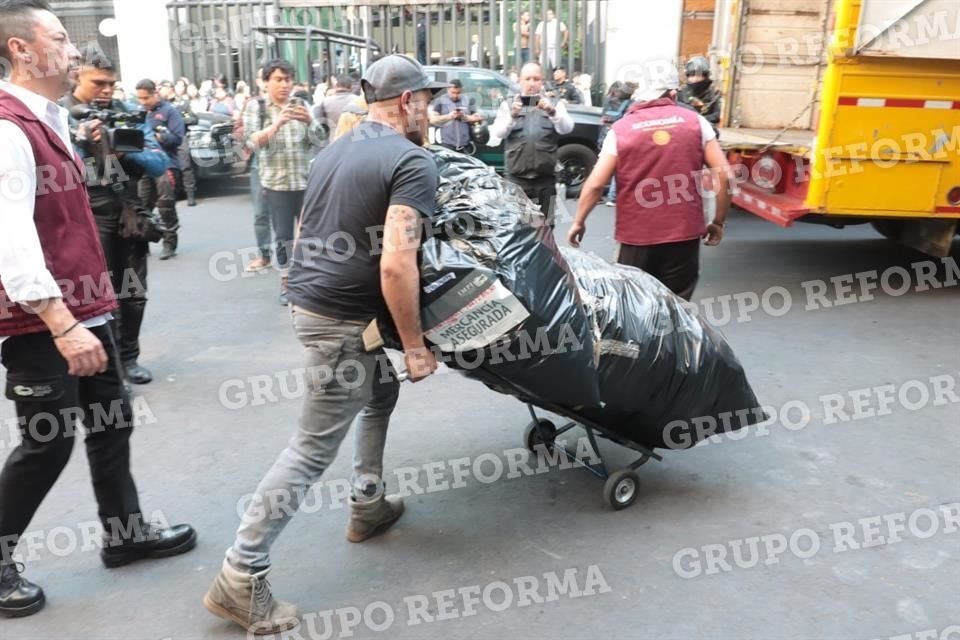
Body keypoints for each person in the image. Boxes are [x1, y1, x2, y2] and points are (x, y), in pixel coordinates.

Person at [202, 53, 444, 635]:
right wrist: (413, 345)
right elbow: (396, 263)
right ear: (408, 103)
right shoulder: (411, 161)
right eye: (428, 102)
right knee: (311, 448)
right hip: (338, 322)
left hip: (316, 305)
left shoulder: (337, 147)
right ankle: (241, 574)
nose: (432, 113)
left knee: (378, 392)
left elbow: (312, 223)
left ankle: (367, 501)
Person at [0, 0, 196, 618]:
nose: (74, 49)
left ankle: (125, 533)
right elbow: (11, 238)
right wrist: (60, 325)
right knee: (46, 444)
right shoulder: (7, 127)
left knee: (112, 422)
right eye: (60, 38)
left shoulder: (52, 118)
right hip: (42, 322)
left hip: (88, 308)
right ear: (20, 50)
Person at [568, 66, 731, 301]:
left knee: (636, 311)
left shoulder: (621, 129)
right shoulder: (696, 122)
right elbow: (724, 175)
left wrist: (579, 222)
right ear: (673, 94)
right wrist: (718, 222)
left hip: (636, 238)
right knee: (678, 309)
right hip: (683, 237)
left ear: (639, 96)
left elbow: (595, 185)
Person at [61, 48, 169, 386]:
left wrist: (127, 150)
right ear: (76, 77)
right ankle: (107, 368)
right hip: (88, 218)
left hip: (129, 215)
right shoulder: (62, 116)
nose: (107, 90)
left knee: (133, 294)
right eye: (98, 83)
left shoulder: (128, 114)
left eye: (111, 83)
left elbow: (160, 163)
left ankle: (129, 358)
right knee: (98, 297)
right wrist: (82, 143)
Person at [241, 59, 323, 305]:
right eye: (278, 79)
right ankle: (287, 284)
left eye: (288, 79)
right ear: (266, 82)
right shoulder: (257, 108)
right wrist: (277, 124)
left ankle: (311, 281)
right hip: (277, 184)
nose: (284, 85)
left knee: (310, 235)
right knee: (284, 236)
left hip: (305, 182)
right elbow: (251, 143)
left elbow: (319, 140)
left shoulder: (301, 104)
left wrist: (310, 122)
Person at [490, 62, 573, 226]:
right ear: (520, 81)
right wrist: (512, 115)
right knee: (518, 228)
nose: (532, 83)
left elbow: (567, 128)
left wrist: (552, 111)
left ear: (542, 81)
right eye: (528, 79)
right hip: (517, 182)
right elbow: (497, 134)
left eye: (536, 79)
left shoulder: (554, 103)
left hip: (545, 181)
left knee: (546, 228)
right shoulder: (508, 105)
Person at [135, 78, 185, 259]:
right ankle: (144, 242)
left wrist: (159, 136)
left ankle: (170, 243)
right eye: (139, 98)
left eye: (146, 98)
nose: (143, 102)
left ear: (155, 94)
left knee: (165, 205)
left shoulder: (169, 111)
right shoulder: (138, 113)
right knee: (141, 204)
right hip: (143, 164)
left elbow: (178, 138)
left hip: (166, 164)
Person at [598, 81, 633, 206]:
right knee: (618, 167)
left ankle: (601, 194)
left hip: (605, 135)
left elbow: (602, 118)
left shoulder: (609, 101)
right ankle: (613, 196)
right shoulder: (629, 104)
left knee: (604, 167)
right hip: (618, 136)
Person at [429, 78, 483, 153]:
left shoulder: (468, 100)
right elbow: (433, 119)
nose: (455, 95)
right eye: (453, 93)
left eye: (458, 93)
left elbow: (478, 118)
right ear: (448, 90)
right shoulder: (441, 101)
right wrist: (449, 116)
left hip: (465, 145)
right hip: (447, 145)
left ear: (462, 90)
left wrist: (464, 117)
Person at [678, 55, 722, 136]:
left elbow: (717, 115)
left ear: (705, 76)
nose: (695, 79)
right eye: (692, 75)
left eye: (698, 75)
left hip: (706, 129)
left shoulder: (714, 92)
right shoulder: (681, 92)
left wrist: (699, 120)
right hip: (684, 129)